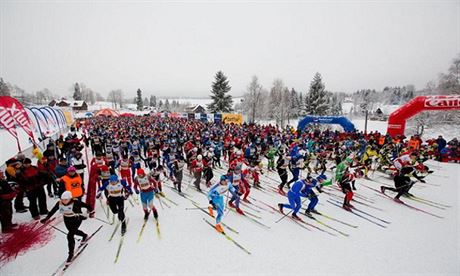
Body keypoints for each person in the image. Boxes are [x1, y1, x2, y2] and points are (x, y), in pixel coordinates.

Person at [41, 191, 94, 264]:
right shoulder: (59, 203)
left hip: (77, 219)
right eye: (62, 199)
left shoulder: (75, 202)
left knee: (70, 235)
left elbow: (88, 206)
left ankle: (70, 254)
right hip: (67, 219)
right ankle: (84, 235)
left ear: (70, 199)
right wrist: (46, 218)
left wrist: (91, 212)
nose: (63, 201)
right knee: (73, 231)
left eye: (65, 200)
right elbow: (53, 211)